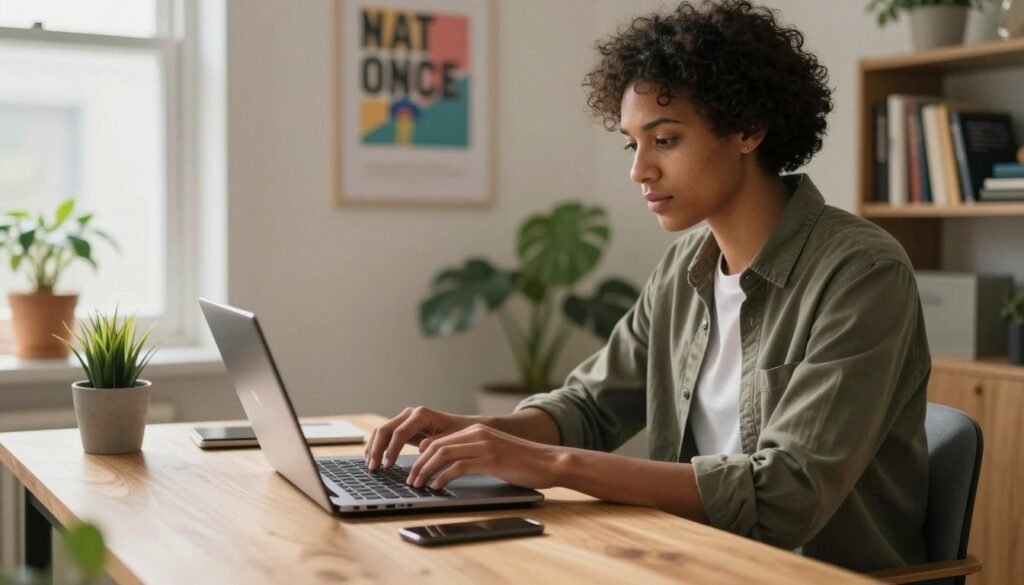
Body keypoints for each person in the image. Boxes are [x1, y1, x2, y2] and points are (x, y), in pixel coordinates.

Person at [365, 0, 930, 572]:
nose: (639, 170)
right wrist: (475, 431)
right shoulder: (685, 267)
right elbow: (591, 406)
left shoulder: (862, 272)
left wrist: (550, 464)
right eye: (632, 144)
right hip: (690, 558)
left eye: (664, 140)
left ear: (748, 128)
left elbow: (785, 495)